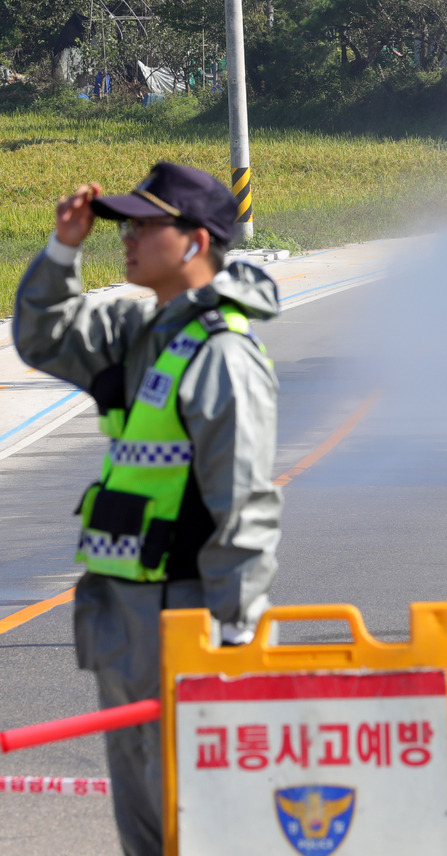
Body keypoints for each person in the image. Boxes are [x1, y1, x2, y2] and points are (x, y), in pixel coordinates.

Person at [13, 161, 282, 856]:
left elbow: (244, 511)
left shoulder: (224, 354)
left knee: (199, 825)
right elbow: (41, 336)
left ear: (194, 241)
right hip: (127, 624)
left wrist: (233, 644)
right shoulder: (142, 329)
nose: (126, 237)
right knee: (148, 830)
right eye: (123, 224)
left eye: (144, 225)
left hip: (188, 621)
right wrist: (63, 249)